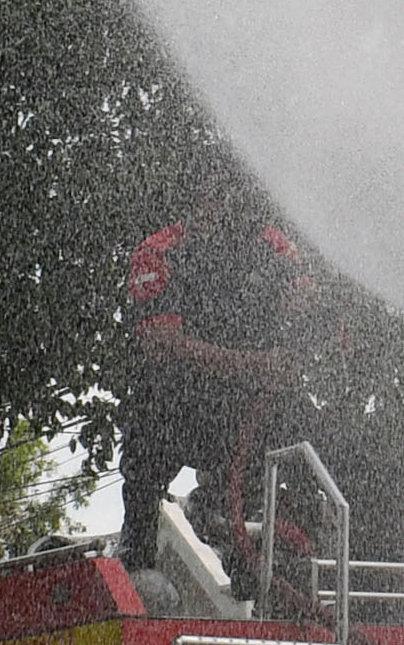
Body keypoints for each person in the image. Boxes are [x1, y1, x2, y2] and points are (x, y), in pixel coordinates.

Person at [120, 170, 325, 585]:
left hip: (250, 402)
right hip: (179, 398)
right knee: (148, 437)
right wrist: (253, 365)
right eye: (220, 195)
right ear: (199, 197)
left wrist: (309, 301)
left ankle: (295, 547)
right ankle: (137, 553)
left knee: (312, 440)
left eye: (241, 197)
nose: (231, 206)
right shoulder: (160, 251)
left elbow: (306, 293)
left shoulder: (272, 245)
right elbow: (161, 343)